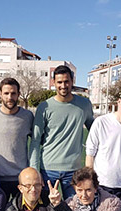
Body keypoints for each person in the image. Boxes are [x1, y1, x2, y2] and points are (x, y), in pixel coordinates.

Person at [29, 65, 94, 200]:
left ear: (72, 81)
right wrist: (35, 170)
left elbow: (95, 131)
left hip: (73, 171)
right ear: (54, 83)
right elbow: (35, 141)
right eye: (59, 82)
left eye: (66, 81)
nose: (63, 85)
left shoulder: (84, 104)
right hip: (47, 170)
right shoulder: (44, 107)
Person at [0, 78, 34, 201]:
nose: (10, 97)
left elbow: (37, 141)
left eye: (13, 93)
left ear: (18, 94)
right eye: (6, 93)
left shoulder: (27, 116)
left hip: (21, 178)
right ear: (0, 94)